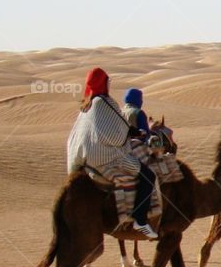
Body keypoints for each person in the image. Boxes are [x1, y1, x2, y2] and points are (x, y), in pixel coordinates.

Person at [66, 67, 158, 239]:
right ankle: (140, 219)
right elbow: (117, 131)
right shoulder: (105, 102)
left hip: (83, 157)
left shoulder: (86, 105)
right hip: (105, 157)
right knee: (148, 175)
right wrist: (134, 133)